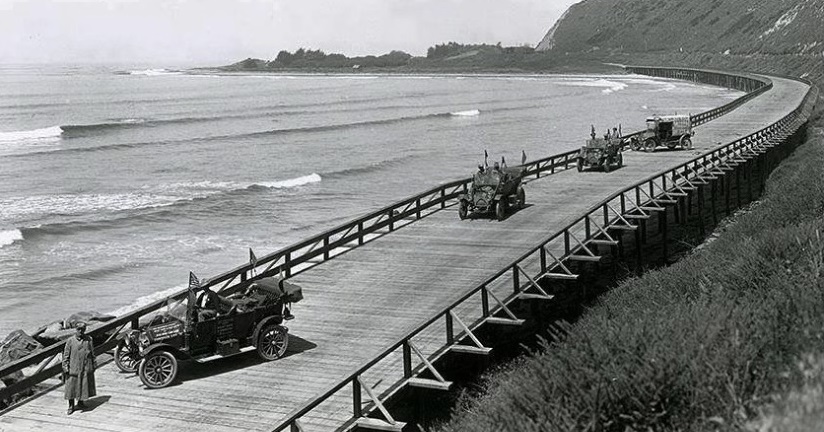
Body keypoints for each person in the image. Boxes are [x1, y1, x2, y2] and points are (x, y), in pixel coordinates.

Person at [62, 322, 96, 415]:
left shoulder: (89, 339)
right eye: (79, 329)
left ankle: (81, 403)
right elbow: (66, 355)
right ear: (75, 330)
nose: (81, 331)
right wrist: (65, 367)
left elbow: (92, 353)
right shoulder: (70, 340)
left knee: (83, 385)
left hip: (85, 366)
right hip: (73, 367)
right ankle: (71, 406)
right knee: (71, 387)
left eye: (83, 329)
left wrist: (93, 364)